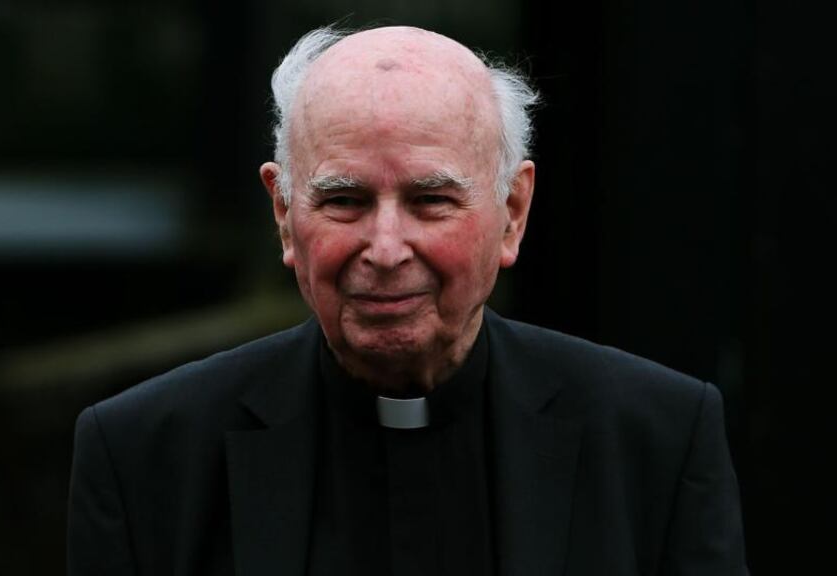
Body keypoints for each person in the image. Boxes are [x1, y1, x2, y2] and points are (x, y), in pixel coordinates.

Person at [67, 25, 748, 576]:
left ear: (512, 212)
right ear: (283, 213)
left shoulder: (656, 439)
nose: (386, 248)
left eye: (430, 201)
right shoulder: (146, 453)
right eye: (344, 200)